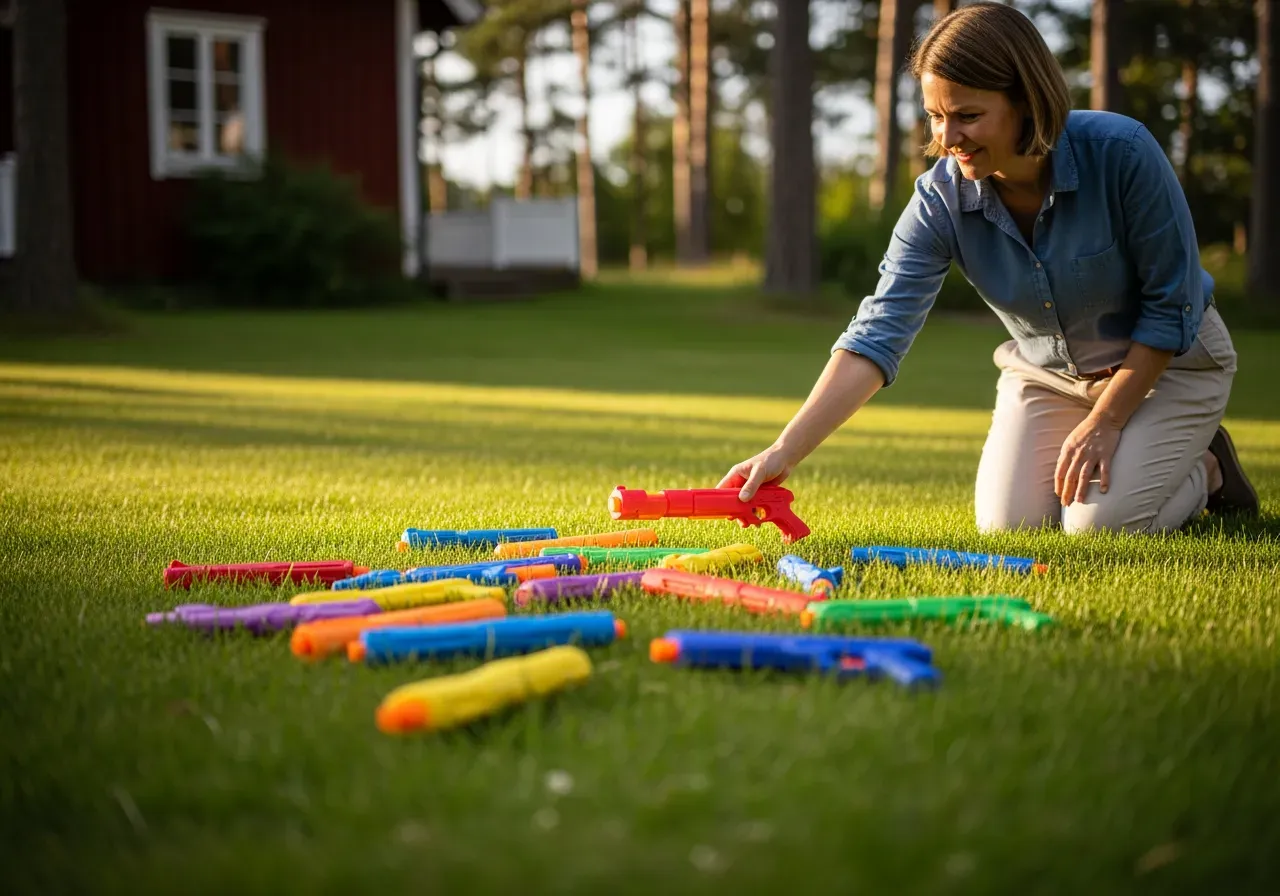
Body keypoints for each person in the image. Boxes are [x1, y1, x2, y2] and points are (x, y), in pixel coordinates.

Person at [720, 1, 1258, 534]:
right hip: (1050, 376)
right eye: (936, 116)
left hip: (1168, 369)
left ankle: (1206, 471)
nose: (948, 139)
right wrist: (784, 450)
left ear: (1026, 101)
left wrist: (1107, 421)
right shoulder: (939, 201)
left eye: (968, 116)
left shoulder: (1122, 153)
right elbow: (878, 332)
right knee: (1009, 528)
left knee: (1099, 527)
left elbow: (1172, 305)